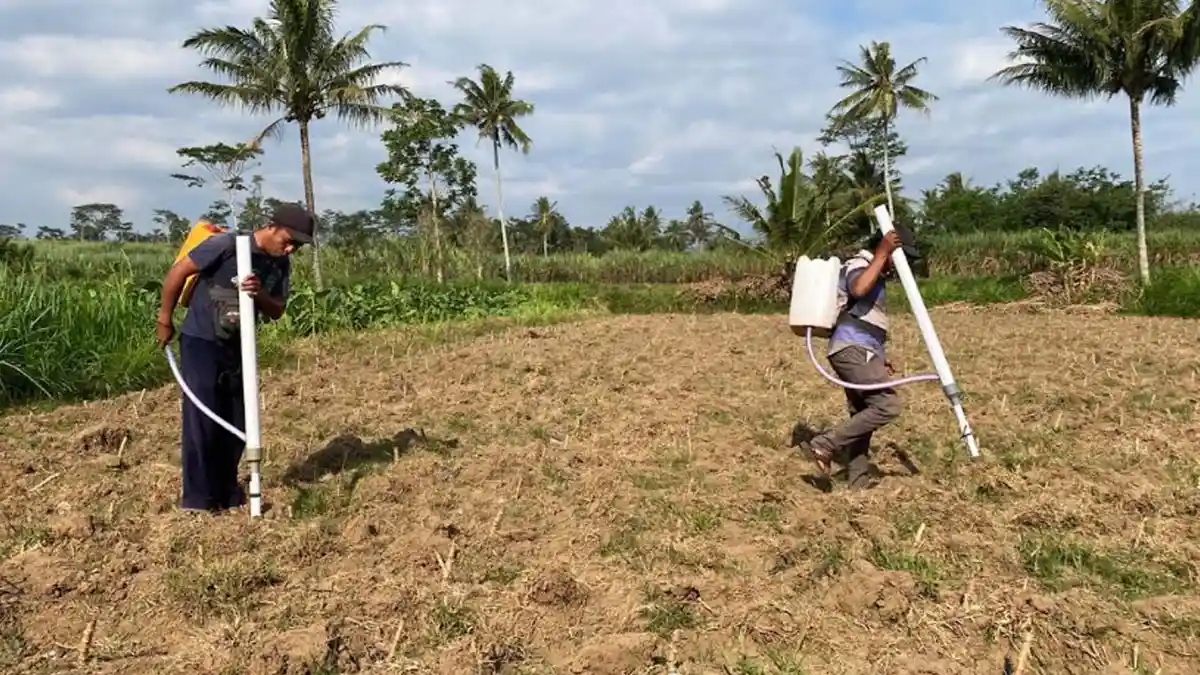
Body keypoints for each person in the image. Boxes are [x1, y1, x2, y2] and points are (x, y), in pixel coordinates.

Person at [155, 202, 314, 513]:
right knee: (203, 418)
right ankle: (198, 500)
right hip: (202, 341)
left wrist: (260, 295)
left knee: (240, 418)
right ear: (272, 227)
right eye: (288, 240)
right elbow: (179, 271)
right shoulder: (226, 245)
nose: (291, 249)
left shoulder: (280, 264)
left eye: (298, 245)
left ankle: (227, 491)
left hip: (241, 345)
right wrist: (164, 319)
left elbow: (278, 310)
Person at [798, 228, 905, 490]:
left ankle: (858, 484)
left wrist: (880, 356)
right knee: (887, 405)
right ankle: (824, 444)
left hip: (860, 349)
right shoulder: (859, 264)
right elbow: (857, 289)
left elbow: (864, 317)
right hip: (853, 348)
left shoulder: (875, 270)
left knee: (862, 415)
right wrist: (882, 255)